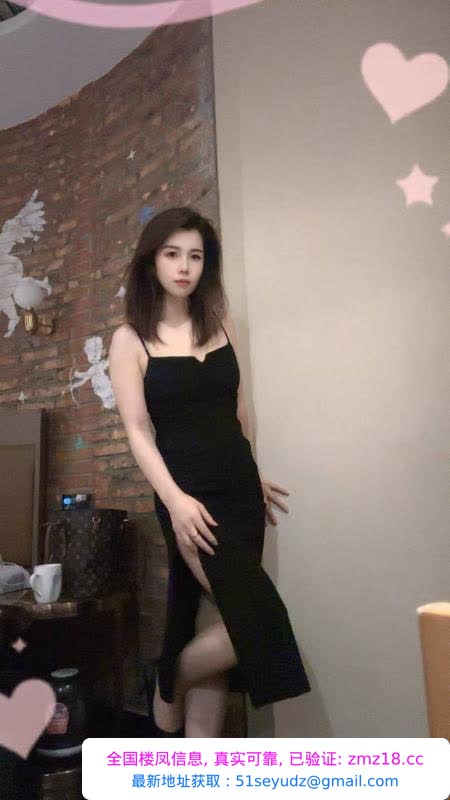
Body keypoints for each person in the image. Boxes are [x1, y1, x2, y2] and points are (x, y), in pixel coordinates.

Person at [109, 207, 311, 738]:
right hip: (190, 498)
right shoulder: (130, 339)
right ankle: (168, 677)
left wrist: (252, 472)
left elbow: (240, 412)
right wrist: (175, 501)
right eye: (172, 254)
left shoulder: (221, 325)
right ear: (152, 260)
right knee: (258, 622)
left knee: (216, 620)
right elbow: (138, 431)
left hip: (241, 494)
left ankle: (204, 767)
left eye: (195, 256)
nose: (184, 267)